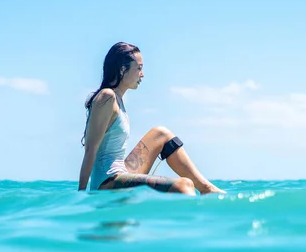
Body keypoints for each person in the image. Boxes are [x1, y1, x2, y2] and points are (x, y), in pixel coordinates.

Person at [77, 42, 225, 196]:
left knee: (161, 133)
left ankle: (207, 189)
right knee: (184, 185)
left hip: (120, 172)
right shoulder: (107, 97)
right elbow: (90, 149)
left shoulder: (119, 100)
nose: (142, 74)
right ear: (122, 70)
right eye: (139, 68)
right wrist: (82, 194)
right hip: (107, 182)